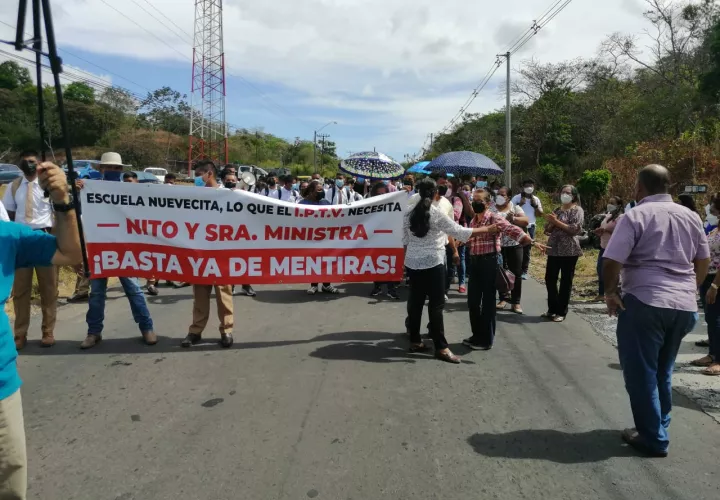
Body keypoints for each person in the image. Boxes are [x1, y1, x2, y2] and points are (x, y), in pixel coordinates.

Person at [603, 164, 710, 457]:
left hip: (645, 302)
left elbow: (612, 259)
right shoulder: (691, 216)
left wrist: (611, 292)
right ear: (669, 188)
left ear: (639, 188)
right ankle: (659, 425)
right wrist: (690, 289)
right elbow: (703, 260)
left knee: (640, 373)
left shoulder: (635, 215)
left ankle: (653, 438)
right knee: (663, 370)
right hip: (684, 306)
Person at [1, 162, 81, 499]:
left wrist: (62, 200)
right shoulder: (14, 190)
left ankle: (46, 331)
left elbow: (71, 252)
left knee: (9, 475)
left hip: (1, 385)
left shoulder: (8, 236)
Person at [404, 179, 497, 364]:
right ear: (435, 193)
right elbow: (459, 231)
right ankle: (441, 347)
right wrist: (488, 228)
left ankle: (415, 340)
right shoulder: (436, 213)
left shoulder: (408, 213)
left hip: (412, 263)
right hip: (433, 263)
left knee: (415, 302)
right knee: (436, 306)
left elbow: (404, 239)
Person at [76, 152, 157, 349]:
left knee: (134, 289)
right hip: (99, 248)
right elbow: (79, 212)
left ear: (121, 170)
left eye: (116, 168)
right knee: (96, 293)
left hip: (124, 248)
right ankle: (93, 332)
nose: (113, 170)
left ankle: (147, 328)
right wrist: (78, 191)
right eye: (109, 167)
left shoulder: (129, 191)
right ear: (101, 169)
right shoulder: (89, 189)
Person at [464, 190, 540, 350]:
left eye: (479, 201)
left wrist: (530, 241)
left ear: (487, 203)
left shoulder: (493, 217)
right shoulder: (474, 220)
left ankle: (486, 340)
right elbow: (472, 237)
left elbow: (512, 229)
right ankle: (476, 335)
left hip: (490, 261)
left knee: (488, 302)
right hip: (475, 262)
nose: (475, 203)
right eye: (474, 200)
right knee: (473, 301)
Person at [1, 150, 59, 349]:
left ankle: (48, 331)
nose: (29, 165)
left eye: (32, 161)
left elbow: (60, 207)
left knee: (48, 289)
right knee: (21, 291)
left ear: (39, 163)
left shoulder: (48, 185)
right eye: (25, 162)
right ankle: (20, 335)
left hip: (44, 237)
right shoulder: (13, 186)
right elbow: (7, 213)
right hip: (21, 241)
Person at [182, 160, 235, 348]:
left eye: (199, 174)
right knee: (200, 294)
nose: (196, 178)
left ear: (209, 174)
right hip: (201, 252)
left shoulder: (229, 195)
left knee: (224, 294)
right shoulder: (195, 196)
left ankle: (226, 330)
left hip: (222, 252)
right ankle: (195, 331)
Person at [543, 185, 584, 323]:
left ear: (574, 195)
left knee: (565, 281)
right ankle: (552, 308)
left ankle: (561, 311)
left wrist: (557, 222)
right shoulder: (557, 210)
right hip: (554, 248)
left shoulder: (577, 210)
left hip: (569, 250)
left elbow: (574, 229)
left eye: (568, 193)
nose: (564, 194)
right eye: (563, 192)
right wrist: (551, 223)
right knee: (550, 278)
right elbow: (547, 230)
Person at [691, 195, 720, 376]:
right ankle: (712, 354)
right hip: (708, 277)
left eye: (712, 203)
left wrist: (715, 286)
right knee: (711, 318)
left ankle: (718, 360)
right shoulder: (715, 228)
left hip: (717, 280)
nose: (709, 207)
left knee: (717, 319)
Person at [220, 168, 257, 297]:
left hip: (242, 233)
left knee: (244, 260)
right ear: (223, 181)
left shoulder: (243, 194)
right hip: (225, 233)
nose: (230, 182)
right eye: (228, 180)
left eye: (232, 180)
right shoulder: (218, 193)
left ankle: (246, 285)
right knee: (229, 261)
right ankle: (231, 286)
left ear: (236, 181)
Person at [493, 186, 529, 314]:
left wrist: (513, 219)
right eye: (498, 193)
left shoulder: (515, 208)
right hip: (497, 245)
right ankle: (503, 298)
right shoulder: (492, 207)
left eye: (502, 194)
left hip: (514, 244)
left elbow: (525, 221)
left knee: (516, 273)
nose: (499, 196)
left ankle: (516, 302)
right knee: (501, 273)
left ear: (508, 197)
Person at [300, 181, 339, 295]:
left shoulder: (326, 202)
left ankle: (327, 285)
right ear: (311, 191)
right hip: (310, 239)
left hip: (325, 238)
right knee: (313, 261)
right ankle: (314, 285)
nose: (321, 192)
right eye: (318, 190)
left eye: (322, 190)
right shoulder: (302, 204)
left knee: (326, 261)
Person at [368, 181, 400, 299]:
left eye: (384, 193)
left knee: (391, 262)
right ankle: (377, 286)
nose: (381, 196)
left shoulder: (394, 204)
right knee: (377, 263)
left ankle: (391, 288)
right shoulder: (369, 205)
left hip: (390, 238)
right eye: (378, 194)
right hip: (375, 238)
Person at [511, 178, 543, 280]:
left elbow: (540, 214)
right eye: (527, 186)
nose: (529, 188)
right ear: (523, 187)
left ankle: (524, 271)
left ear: (534, 187)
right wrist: (520, 204)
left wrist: (535, 206)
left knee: (527, 249)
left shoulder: (536, 199)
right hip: (519, 226)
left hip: (531, 226)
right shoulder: (516, 198)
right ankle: (516, 269)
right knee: (516, 248)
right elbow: (510, 211)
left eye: (531, 186)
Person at [593, 196, 624, 302]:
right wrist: (600, 231)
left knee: (611, 272)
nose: (609, 205)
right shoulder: (608, 216)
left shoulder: (621, 217)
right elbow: (604, 227)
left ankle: (612, 294)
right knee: (600, 270)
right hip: (603, 246)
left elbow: (620, 232)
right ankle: (601, 294)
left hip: (613, 248)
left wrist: (606, 231)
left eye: (613, 203)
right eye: (609, 202)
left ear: (619, 205)